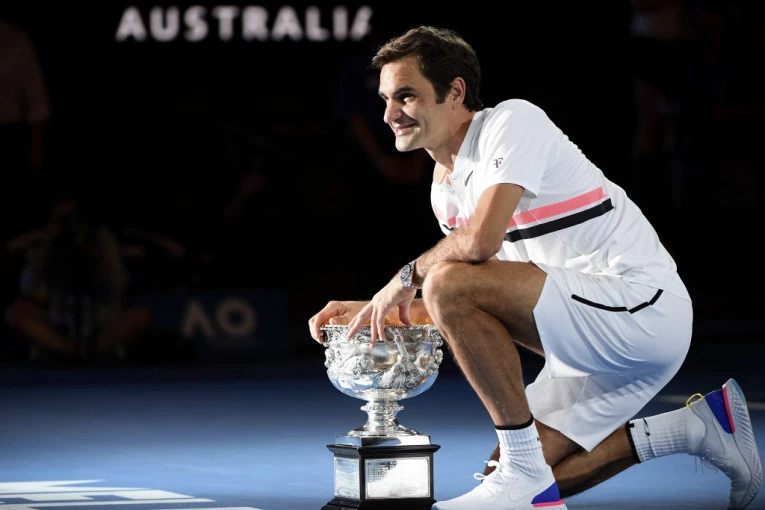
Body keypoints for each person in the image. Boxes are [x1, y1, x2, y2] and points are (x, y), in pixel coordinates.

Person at [308, 25, 761, 510]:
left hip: (643, 312)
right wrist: (372, 310)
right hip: (584, 341)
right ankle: (694, 428)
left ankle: (522, 469)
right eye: (385, 99)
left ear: (455, 91)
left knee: (449, 285)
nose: (389, 114)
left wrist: (401, 281)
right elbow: (476, 297)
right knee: (515, 484)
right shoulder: (445, 190)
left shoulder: (512, 121)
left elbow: (475, 250)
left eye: (406, 96)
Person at [4, 192, 153, 363]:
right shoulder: (49, 242)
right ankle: (74, 351)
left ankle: (65, 351)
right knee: (14, 312)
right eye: (61, 218)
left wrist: (96, 255)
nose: (68, 224)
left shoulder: (101, 237)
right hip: (60, 321)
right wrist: (48, 240)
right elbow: (27, 288)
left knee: (142, 315)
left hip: (100, 320)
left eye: (73, 217)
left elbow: (118, 285)